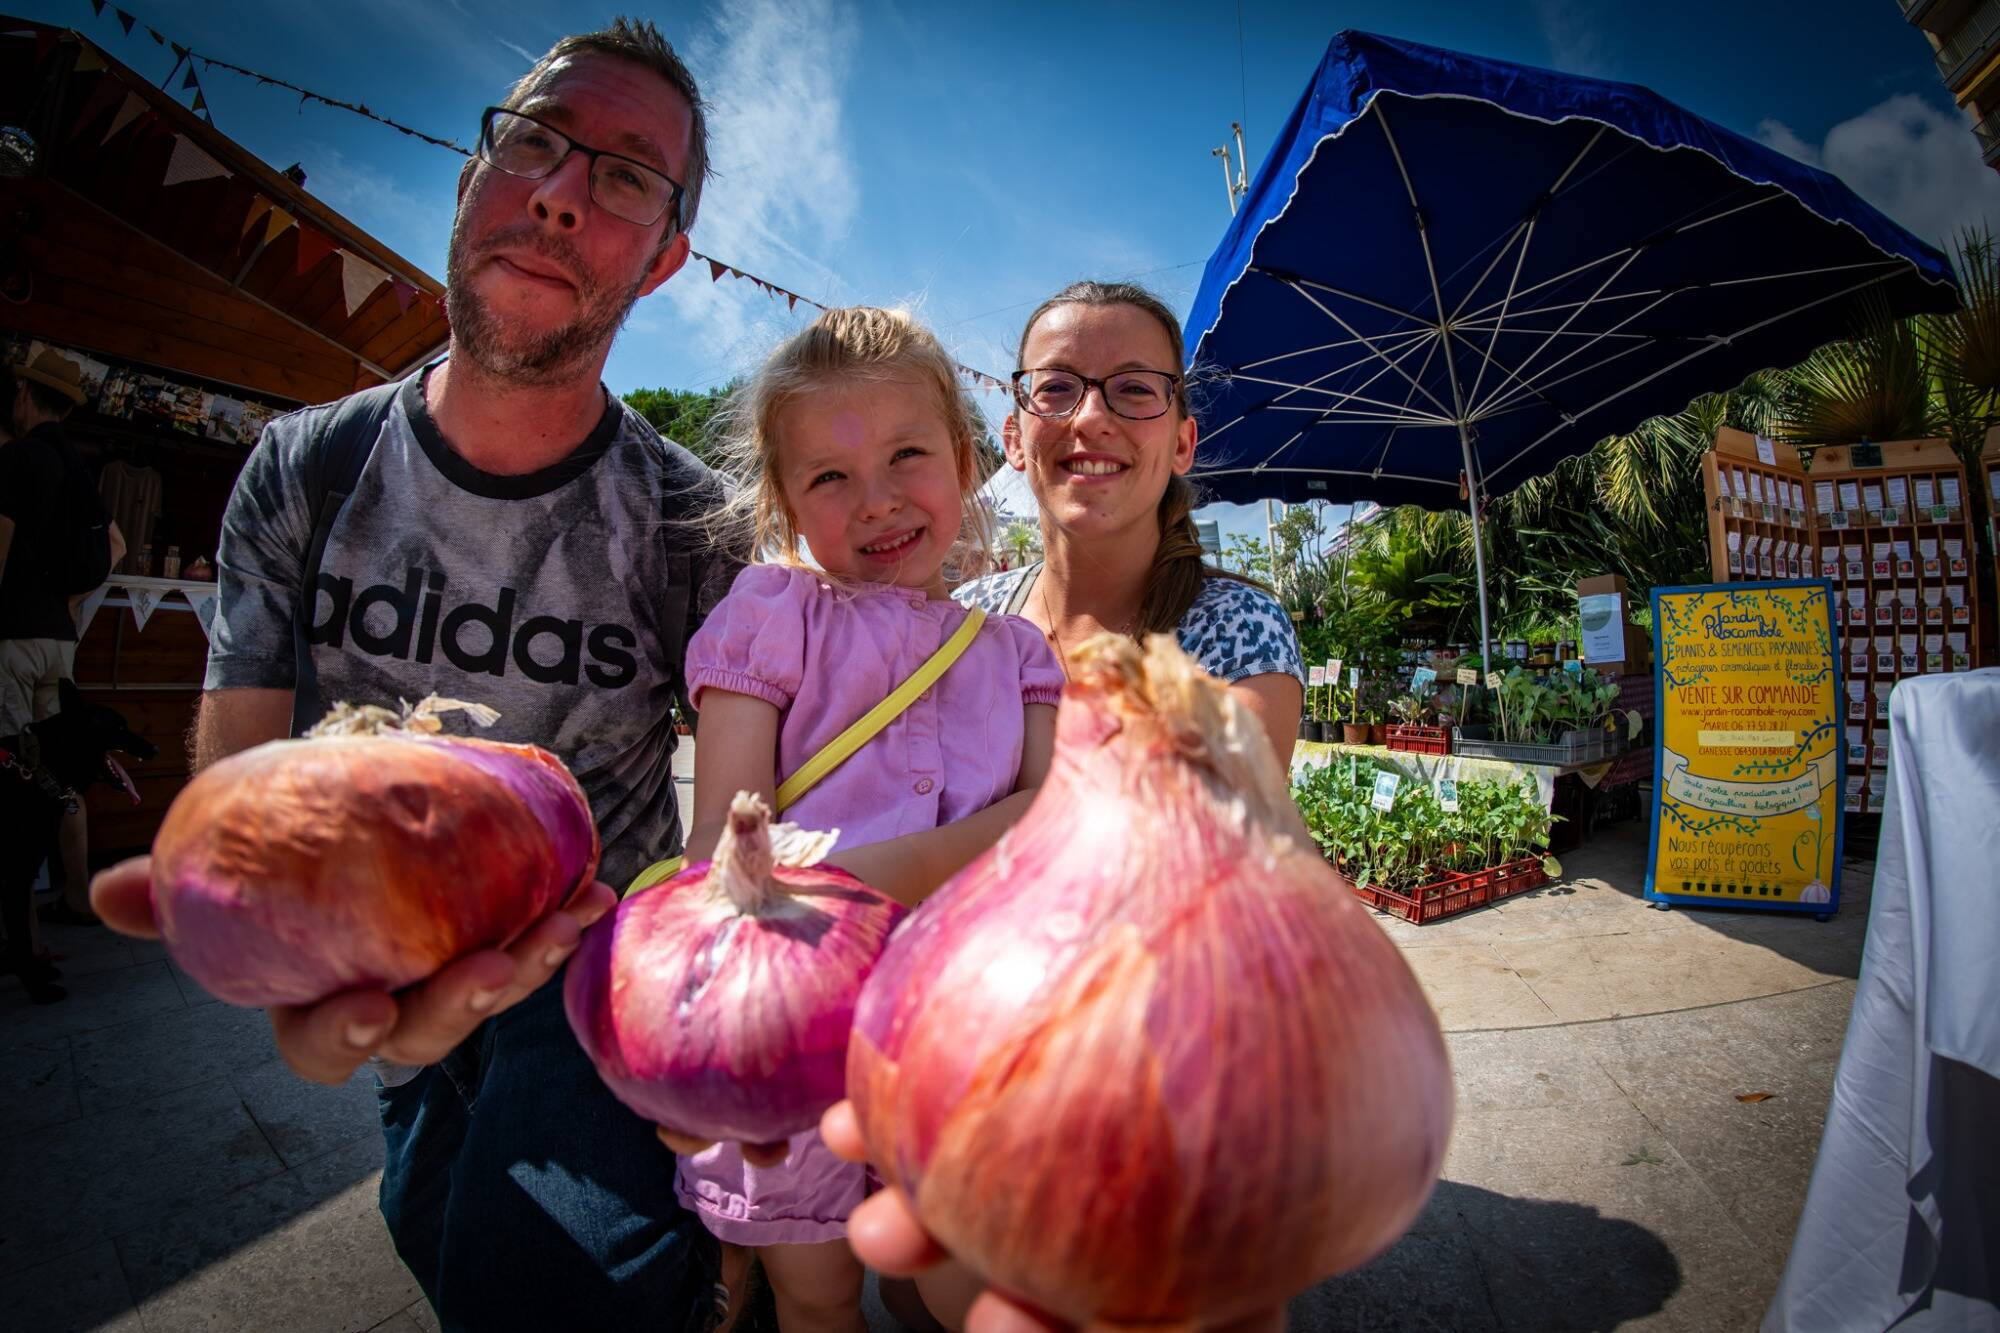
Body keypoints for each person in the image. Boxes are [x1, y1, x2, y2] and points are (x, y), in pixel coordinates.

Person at [90, 18, 733, 1330]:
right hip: (387, 968)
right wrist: (265, 929)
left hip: (595, 975)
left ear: (665, 257)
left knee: (549, 1282)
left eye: (624, 176)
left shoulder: (690, 522)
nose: (560, 192)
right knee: (425, 1222)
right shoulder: (303, 468)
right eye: (536, 142)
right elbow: (240, 773)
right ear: (471, 174)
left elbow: (750, 794)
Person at [661, 305, 1061, 1333]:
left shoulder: (1016, 656)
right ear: (785, 498)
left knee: (952, 1276)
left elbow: (1053, 824)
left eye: (906, 455)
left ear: (965, 460)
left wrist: (845, 883)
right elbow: (723, 852)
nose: (876, 499)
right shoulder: (768, 615)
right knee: (817, 1289)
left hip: (960, 1037)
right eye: (829, 476)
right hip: (790, 1039)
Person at [955, 280, 1303, 763]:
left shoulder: (1236, 628)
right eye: (1056, 387)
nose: (1090, 418)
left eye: (1135, 387)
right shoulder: (966, 617)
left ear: (1182, 444)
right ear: (1013, 439)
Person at [1, 349, 124, 997]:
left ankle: (22, 938)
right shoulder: (78, 469)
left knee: (12, 782)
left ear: (25, 396)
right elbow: (116, 546)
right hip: (57, 640)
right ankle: (76, 895)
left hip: (13, 637)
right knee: (58, 774)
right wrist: (70, 602)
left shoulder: (18, 458)